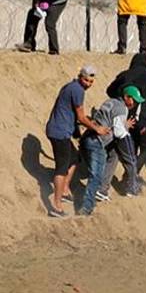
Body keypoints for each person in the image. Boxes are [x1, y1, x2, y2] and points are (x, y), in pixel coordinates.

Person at [45, 66, 107, 217]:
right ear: (80, 77)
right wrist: (97, 128)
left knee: (74, 158)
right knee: (61, 168)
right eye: (86, 80)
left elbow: (72, 114)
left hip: (61, 131)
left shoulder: (71, 86)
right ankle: (56, 206)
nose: (88, 84)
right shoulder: (78, 90)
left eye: (91, 81)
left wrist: (78, 132)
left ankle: (64, 190)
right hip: (59, 133)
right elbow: (81, 117)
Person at [80, 86, 142, 216]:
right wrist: (128, 141)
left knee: (114, 154)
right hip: (97, 141)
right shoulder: (121, 108)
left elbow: (111, 123)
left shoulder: (111, 102)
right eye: (134, 100)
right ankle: (86, 207)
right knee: (95, 176)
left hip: (89, 137)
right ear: (126, 97)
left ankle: (102, 189)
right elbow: (119, 132)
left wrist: (124, 126)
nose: (135, 104)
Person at [105, 52, 146, 188]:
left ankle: (130, 176)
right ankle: (131, 176)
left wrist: (122, 99)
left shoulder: (125, 75)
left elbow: (110, 90)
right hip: (143, 117)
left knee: (131, 148)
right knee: (145, 149)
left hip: (125, 115)